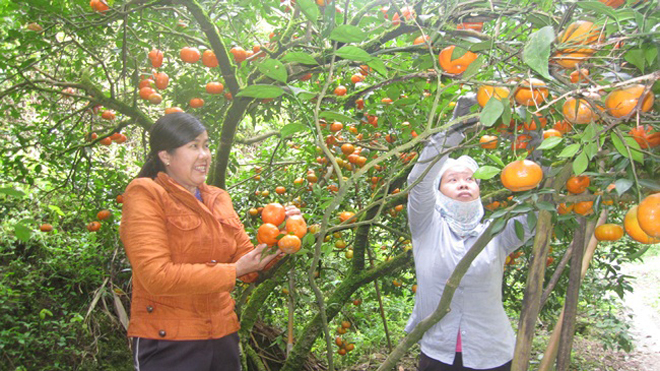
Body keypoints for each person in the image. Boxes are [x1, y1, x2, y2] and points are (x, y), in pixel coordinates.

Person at [119, 113, 288, 371]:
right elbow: (155, 275)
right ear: (166, 156)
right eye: (193, 146)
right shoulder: (145, 192)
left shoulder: (218, 197)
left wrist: (283, 237)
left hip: (223, 336)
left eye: (206, 145)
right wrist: (234, 271)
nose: (204, 155)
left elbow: (250, 266)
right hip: (168, 341)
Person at [406, 94, 535, 371]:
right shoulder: (426, 227)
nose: (464, 184)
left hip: (493, 354)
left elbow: (534, 212)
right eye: (453, 180)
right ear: (437, 192)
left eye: (470, 179)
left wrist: (538, 154)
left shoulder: (497, 232)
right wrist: (454, 129)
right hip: (437, 354)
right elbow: (418, 182)